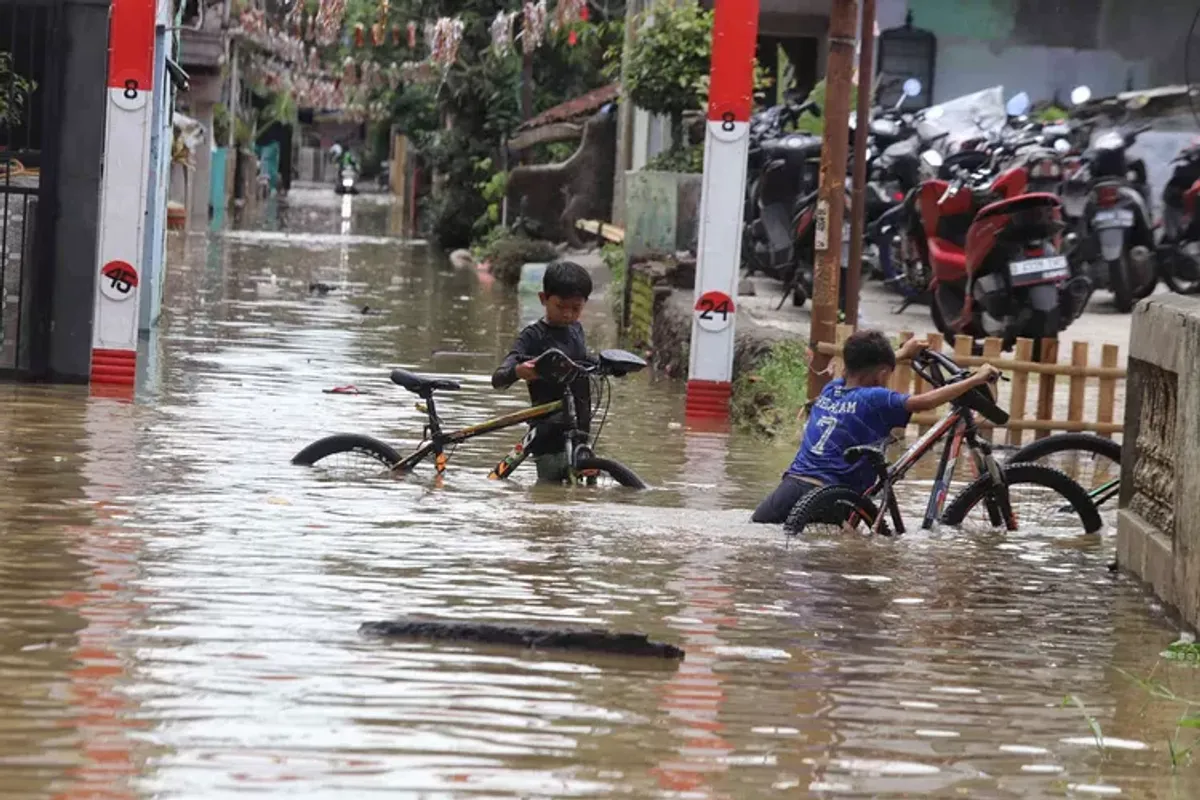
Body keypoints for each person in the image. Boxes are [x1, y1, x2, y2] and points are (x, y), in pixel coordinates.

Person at [751, 330, 1001, 524]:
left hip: (792, 484)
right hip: (833, 495)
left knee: (759, 526)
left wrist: (901, 354)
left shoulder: (831, 389)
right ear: (882, 375)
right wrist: (976, 379)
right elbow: (924, 402)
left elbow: (864, 368)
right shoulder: (876, 398)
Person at [492, 261, 594, 483]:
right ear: (543, 299)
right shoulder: (532, 336)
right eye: (560, 307)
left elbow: (584, 361)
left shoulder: (577, 330)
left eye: (575, 309)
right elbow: (499, 378)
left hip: (579, 426)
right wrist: (519, 371)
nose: (568, 314)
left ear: (584, 305)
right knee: (551, 490)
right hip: (548, 430)